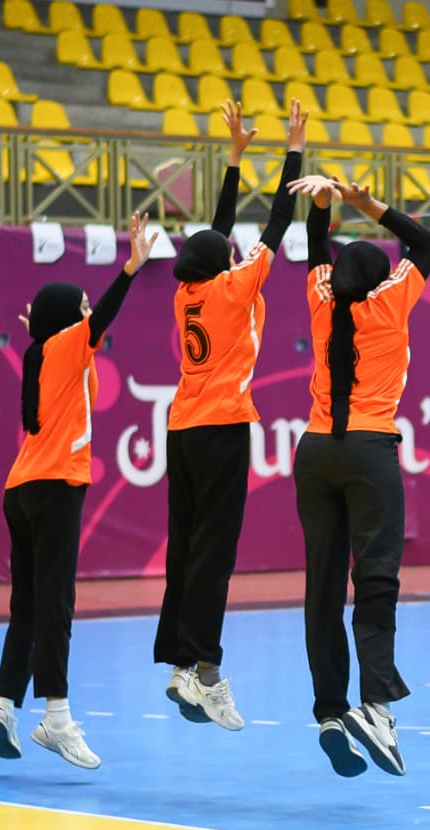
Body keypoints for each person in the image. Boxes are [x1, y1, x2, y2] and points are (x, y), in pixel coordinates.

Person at [0, 212, 158, 770]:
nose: (89, 313)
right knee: (56, 603)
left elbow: (80, 326)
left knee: (28, 607)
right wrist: (130, 268)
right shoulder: (65, 346)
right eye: (80, 307)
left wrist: (51, 320)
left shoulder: (47, 352)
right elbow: (101, 314)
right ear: (68, 321)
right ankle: (55, 718)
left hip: (21, 489)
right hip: (56, 485)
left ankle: (3, 707)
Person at [154, 99, 306, 730]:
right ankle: (204, 671)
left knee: (187, 548)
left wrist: (236, 157)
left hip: (182, 429)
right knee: (215, 553)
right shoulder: (235, 287)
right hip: (221, 428)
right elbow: (278, 222)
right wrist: (293, 152)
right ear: (222, 264)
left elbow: (214, 235)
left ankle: (181, 665)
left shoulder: (186, 292)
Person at [286, 173, 430, 777]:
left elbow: (314, 245)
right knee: (375, 580)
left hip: (315, 450)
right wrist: (364, 203)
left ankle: (330, 711)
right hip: (369, 450)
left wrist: (323, 205)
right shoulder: (390, 302)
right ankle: (376, 707)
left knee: (322, 586)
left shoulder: (321, 299)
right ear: (380, 278)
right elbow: (424, 243)